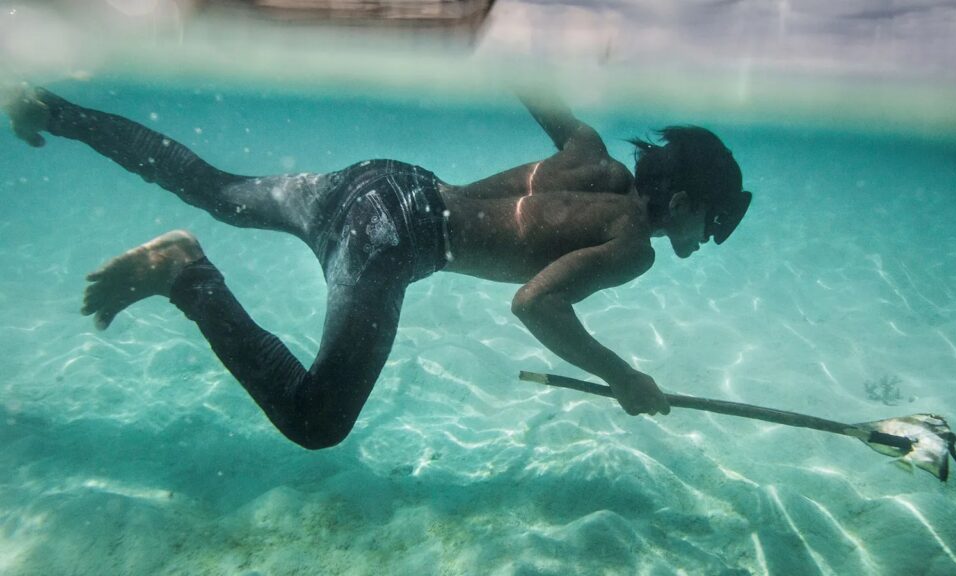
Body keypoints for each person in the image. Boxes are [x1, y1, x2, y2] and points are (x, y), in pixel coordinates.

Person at [2, 85, 751, 449]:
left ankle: (52, 111)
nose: (704, 241)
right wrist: (622, 376)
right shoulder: (632, 245)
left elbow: (524, 75)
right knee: (316, 421)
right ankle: (183, 273)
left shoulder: (587, 146)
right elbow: (536, 306)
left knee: (217, 190)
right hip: (392, 238)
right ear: (680, 199)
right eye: (708, 225)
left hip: (381, 182)